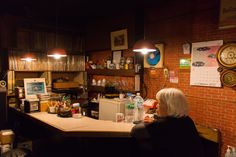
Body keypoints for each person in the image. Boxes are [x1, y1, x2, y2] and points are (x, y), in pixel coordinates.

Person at [130, 88, 204, 157]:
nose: (156, 106)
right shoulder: (187, 120)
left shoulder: (162, 124)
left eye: (159, 103)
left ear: (169, 106)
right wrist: (155, 121)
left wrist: (148, 122)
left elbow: (135, 131)